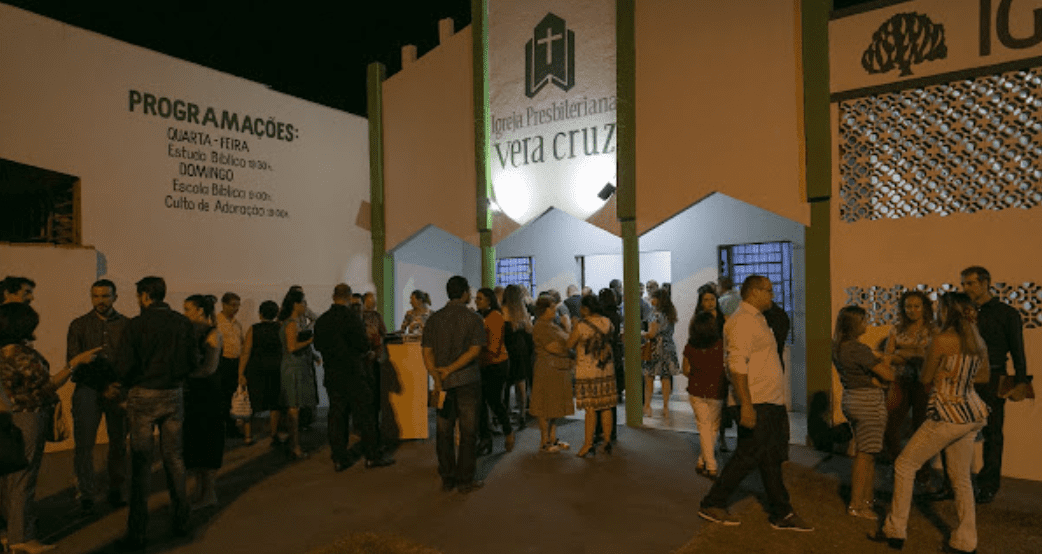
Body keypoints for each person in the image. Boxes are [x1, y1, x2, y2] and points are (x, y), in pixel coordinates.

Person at [872, 292, 990, 553]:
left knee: (904, 464)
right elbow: (983, 378)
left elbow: (925, 377)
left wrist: (942, 373)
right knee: (961, 479)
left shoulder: (942, 339)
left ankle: (895, 530)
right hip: (971, 413)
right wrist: (958, 375)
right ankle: (966, 541)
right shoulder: (978, 341)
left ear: (947, 312)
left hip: (947, 412)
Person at [698, 275, 812, 531]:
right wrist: (746, 405)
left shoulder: (757, 319)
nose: (773, 295)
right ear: (754, 292)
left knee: (768, 457)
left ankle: (781, 512)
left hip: (768, 400)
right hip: (756, 401)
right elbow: (736, 367)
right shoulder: (742, 322)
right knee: (748, 455)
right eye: (769, 291)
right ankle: (712, 502)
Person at [1, 303, 100, 554]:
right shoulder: (21, 354)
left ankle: (10, 534)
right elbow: (48, 386)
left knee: (10, 480)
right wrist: (74, 363)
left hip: (11, 415)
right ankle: (22, 538)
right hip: (29, 416)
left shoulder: (4, 352)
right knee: (25, 479)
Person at [114, 276, 197, 550]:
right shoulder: (183, 323)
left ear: (145, 296)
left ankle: (137, 532)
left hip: (144, 393)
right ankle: (182, 521)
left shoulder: (135, 325)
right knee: (174, 458)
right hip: (173, 393)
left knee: (141, 464)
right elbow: (191, 361)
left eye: (139, 296)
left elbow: (124, 365)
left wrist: (123, 388)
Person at [960, 266, 1029, 504]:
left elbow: (1018, 351)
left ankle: (988, 485)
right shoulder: (962, 312)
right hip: (963, 377)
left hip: (993, 378)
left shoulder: (1006, 313)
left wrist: (1020, 382)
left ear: (985, 282)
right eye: (964, 284)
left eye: (970, 283)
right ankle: (955, 483)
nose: (966, 288)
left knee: (992, 433)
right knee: (954, 429)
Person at [313, 284, 394, 471]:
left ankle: (339, 459)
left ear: (333, 296)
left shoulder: (323, 320)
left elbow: (317, 345)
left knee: (336, 416)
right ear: (349, 297)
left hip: (332, 374)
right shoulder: (352, 318)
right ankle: (372, 456)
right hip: (354, 373)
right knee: (366, 414)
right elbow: (363, 345)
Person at [67, 279, 128, 512]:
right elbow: (74, 363)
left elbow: (130, 359)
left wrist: (119, 386)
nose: (100, 301)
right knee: (84, 444)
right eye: (96, 296)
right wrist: (103, 387)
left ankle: (117, 489)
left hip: (119, 389)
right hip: (88, 391)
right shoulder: (78, 325)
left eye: (105, 296)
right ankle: (85, 492)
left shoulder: (126, 325)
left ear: (115, 297)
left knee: (119, 442)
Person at [422, 276, 486, 493]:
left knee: (444, 431)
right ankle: (465, 479)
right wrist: (452, 368)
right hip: (467, 380)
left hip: (443, 384)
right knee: (468, 432)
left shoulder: (434, 319)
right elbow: (475, 350)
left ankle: (447, 477)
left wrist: (437, 375)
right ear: (465, 292)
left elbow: (427, 352)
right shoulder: (474, 318)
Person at [832, 305, 896, 519]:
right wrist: (888, 353)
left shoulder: (838, 346)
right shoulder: (858, 349)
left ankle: (865, 500)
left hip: (851, 398)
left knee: (864, 451)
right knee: (865, 455)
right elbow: (888, 375)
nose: (867, 324)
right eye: (864, 321)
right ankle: (858, 505)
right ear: (854, 324)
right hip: (868, 402)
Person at [882, 291, 935, 467]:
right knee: (890, 423)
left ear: (924, 308)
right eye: (908, 307)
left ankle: (922, 469)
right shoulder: (897, 328)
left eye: (916, 306)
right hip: (901, 381)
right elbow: (888, 356)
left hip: (924, 383)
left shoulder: (933, 329)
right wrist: (910, 353)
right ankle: (898, 461)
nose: (911, 310)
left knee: (922, 427)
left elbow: (928, 356)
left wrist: (901, 352)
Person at [181, 295, 224, 510]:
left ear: (199, 311)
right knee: (196, 445)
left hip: (208, 395)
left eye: (188, 309)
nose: (185, 313)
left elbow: (210, 368)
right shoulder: (193, 333)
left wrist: (185, 377)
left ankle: (209, 493)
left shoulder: (213, 334)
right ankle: (201, 491)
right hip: (196, 395)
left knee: (206, 444)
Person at [567, 294, 617, 458]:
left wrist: (573, 326)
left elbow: (569, 344)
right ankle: (607, 441)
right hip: (606, 369)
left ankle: (588, 444)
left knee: (590, 409)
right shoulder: (607, 321)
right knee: (606, 406)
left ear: (586, 309)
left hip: (588, 371)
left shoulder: (581, 325)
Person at [683, 311, 728, 479]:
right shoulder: (720, 345)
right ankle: (711, 465)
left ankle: (704, 461)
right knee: (713, 427)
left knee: (703, 426)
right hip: (716, 391)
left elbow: (685, 370)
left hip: (696, 390)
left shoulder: (690, 346)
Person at [277, 289, 318, 460]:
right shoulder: (292, 323)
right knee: (293, 409)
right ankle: (295, 446)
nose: (305, 306)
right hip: (293, 368)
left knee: (294, 408)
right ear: (295, 304)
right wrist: (310, 341)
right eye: (303, 303)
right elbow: (292, 347)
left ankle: (293, 442)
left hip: (294, 366)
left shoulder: (291, 322)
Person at [530, 295, 573, 452]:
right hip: (547, 369)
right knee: (544, 406)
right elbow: (554, 348)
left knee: (555, 406)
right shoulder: (541, 326)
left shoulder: (551, 325)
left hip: (556, 369)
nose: (556, 311)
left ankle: (553, 437)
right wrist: (570, 348)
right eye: (553, 308)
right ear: (546, 309)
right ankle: (545, 440)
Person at [475, 288, 515, 455]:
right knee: (480, 404)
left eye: (480, 298)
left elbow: (495, 347)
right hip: (483, 364)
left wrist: (475, 348)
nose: (476, 301)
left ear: (489, 300)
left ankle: (508, 431)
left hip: (496, 364)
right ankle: (485, 440)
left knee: (494, 401)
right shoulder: (479, 316)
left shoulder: (495, 317)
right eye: (475, 298)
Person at [238, 301, 283, 445]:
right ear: (276, 314)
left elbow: (246, 352)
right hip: (276, 368)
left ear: (260, 313)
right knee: (274, 404)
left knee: (250, 402)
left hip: (256, 368)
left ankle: (248, 436)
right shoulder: (280, 328)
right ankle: (274, 434)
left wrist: (240, 373)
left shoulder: (253, 329)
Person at [642, 289, 680, 419]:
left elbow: (651, 334)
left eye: (652, 297)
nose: (650, 299)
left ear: (657, 299)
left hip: (656, 348)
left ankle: (647, 406)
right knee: (665, 377)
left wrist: (641, 333)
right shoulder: (670, 313)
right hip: (669, 347)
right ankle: (665, 407)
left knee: (649, 377)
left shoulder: (655, 314)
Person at [501, 284, 533, 431]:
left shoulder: (502, 310)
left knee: (506, 384)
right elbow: (530, 330)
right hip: (521, 349)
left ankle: (505, 415)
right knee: (521, 383)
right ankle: (522, 416)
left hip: (507, 349)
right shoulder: (522, 311)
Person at [215, 293, 245, 438]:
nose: (236, 308)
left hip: (235, 362)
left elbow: (242, 342)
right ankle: (221, 427)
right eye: (233, 305)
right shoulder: (216, 321)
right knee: (221, 397)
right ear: (224, 305)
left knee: (232, 396)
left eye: (238, 305)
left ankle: (231, 426)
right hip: (222, 362)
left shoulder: (237, 323)